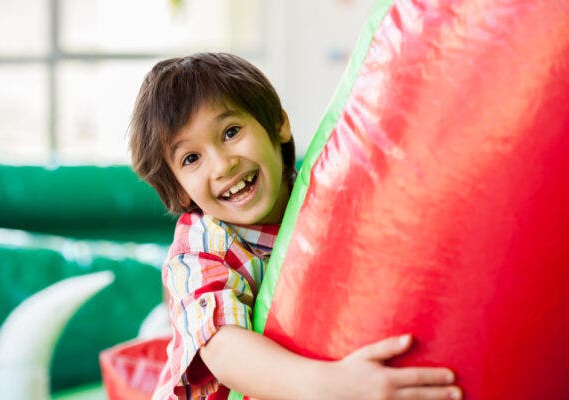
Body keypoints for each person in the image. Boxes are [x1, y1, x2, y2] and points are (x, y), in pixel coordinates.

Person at [129, 52, 462, 400]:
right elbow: (223, 348)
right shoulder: (200, 248)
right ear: (181, 190)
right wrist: (336, 386)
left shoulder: (322, 198)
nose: (222, 165)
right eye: (192, 158)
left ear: (278, 123)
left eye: (230, 132)